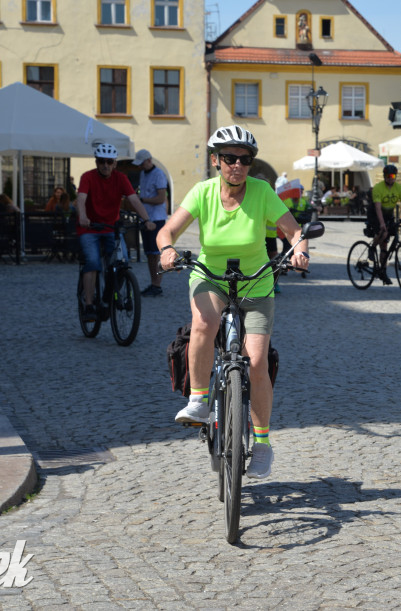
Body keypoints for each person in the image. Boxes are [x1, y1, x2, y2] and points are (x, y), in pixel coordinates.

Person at [157, 125, 310, 479]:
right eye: (229, 158)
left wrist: (299, 250)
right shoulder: (203, 192)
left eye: (244, 159)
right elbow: (167, 231)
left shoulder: (262, 192)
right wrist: (167, 250)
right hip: (210, 276)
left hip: (256, 281)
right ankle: (197, 400)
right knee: (204, 323)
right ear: (216, 160)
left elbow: (295, 230)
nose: (237, 165)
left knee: (256, 363)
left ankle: (263, 444)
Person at [77, 143, 156, 320]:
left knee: (122, 263)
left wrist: (147, 220)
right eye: (101, 162)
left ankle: (108, 296)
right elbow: (81, 199)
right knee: (92, 262)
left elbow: (134, 200)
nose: (105, 165)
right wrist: (82, 216)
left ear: (115, 164)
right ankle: (89, 305)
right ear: (96, 162)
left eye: (109, 162)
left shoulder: (120, 178)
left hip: (111, 228)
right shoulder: (87, 177)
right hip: (89, 228)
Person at [368, 164, 401, 285]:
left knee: (385, 247)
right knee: (383, 232)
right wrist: (382, 224)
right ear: (384, 176)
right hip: (375, 215)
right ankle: (372, 248)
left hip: (388, 214)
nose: (390, 178)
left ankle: (383, 271)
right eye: (388, 176)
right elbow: (377, 208)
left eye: (393, 176)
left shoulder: (398, 188)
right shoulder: (378, 188)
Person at [133, 149, 169, 297]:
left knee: (156, 254)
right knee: (149, 254)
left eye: (142, 163)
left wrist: (141, 200)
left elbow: (161, 198)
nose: (140, 167)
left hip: (157, 218)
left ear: (148, 160)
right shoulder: (143, 173)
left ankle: (157, 284)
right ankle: (153, 282)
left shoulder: (159, 174)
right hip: (146, 217)